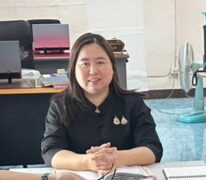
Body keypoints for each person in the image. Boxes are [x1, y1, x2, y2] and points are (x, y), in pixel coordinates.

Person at [41, 33, 163, 171]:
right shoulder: (60, 105)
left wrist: (117, 158)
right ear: (73, 69)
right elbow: (51, 151)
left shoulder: (132, 103)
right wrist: (88, 162)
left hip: (126, 179)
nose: (93, 71)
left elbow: (153, 149)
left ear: (112, 67)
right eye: (85, 64)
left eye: (100, 62)